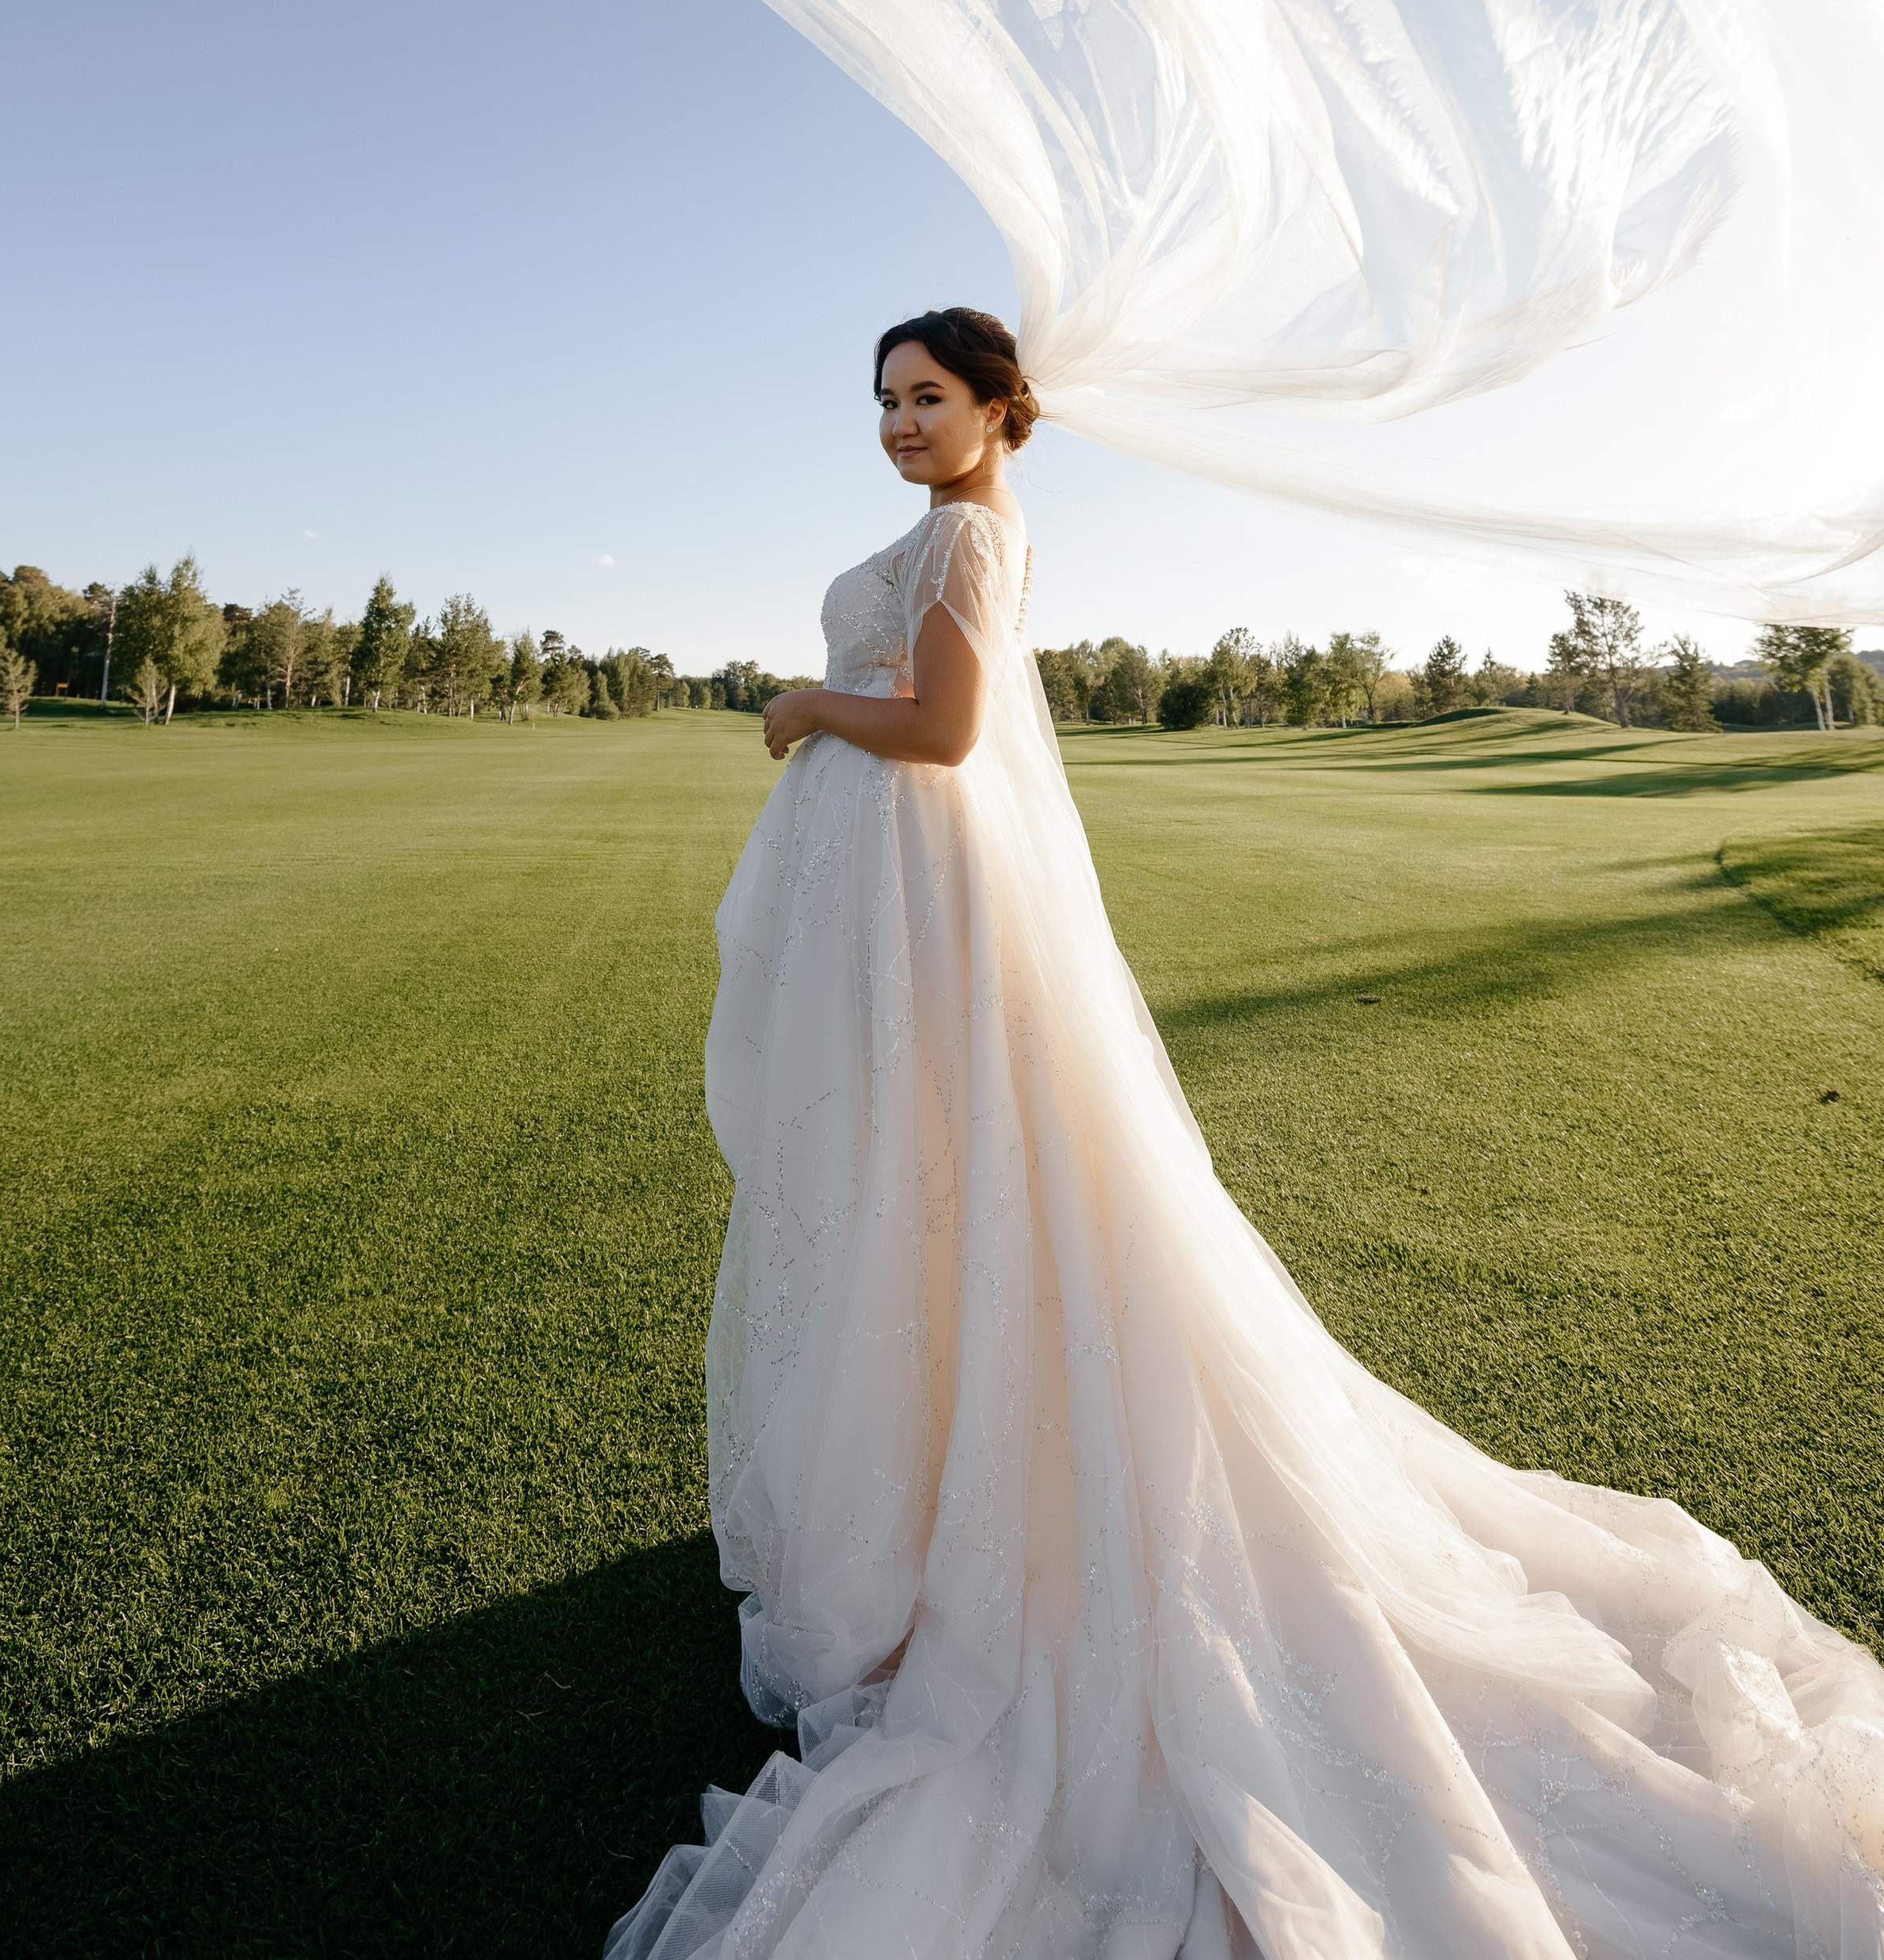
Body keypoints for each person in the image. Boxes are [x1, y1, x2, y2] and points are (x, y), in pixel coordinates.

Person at [608, 309, 1883, 1960]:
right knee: (906, 1196)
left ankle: (993, 1499)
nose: (899, 423)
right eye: (882, 401)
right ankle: (925, 1479)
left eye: (928, 398)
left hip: (928, 887)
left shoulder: (975, 542)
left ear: (1002, 412)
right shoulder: (940, 531)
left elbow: (940, 730)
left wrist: (801, 705)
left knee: (961, 1189)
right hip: (902, 909)